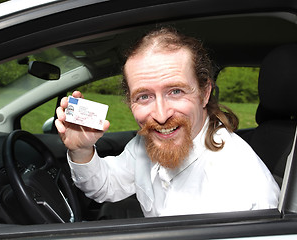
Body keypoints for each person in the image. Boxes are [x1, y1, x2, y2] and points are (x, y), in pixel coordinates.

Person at [55, 26, 280, 217]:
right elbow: (106, 186)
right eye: (144, 96)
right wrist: (82, 151)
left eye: (175, 91)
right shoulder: (145, 144)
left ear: (204, 93)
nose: (161, 115)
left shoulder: (239, 186)